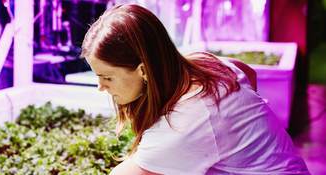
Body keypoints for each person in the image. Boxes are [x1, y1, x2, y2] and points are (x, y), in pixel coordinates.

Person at [81, 4, 309, 175]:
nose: (100, 86)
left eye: (107, 77)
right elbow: (247, 72)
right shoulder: (203, 64)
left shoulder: (186, 120)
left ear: (143, 70)